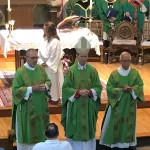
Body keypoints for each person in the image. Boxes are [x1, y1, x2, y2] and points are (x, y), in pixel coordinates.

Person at [61, 37, 102, 150]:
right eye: (82, 56)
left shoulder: (92, 70)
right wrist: (78, 92)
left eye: (86, 56)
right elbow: (65, 89)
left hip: (89, 106)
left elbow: (98, 87)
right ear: (77, 56)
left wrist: (91, 92)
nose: (84, 59)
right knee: (76, 131)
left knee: (88, 131)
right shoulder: (71, 71)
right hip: (75, 107)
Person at [99, 52, 144, 150]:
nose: (126, 63)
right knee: (116, 124)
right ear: (120, 61)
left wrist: (132, 89)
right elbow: (109, 88)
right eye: (124, 61)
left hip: (130, 104)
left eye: (128, 61)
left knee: (128, 124)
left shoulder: (135, 73)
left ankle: (127, 144)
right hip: (117, 105)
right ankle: (115, 144)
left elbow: (140, 86)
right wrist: (121, 90)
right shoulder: (114, 74)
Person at [12, 49, 51, 150]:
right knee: (28, 135)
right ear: (26, 58)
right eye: (33, 58)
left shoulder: (41, 69)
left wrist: (46, 86)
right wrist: (31, 89)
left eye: (36, 58)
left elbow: (48, 81)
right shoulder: (20, 72)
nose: (35, 60)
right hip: (27, 110)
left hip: (41, 108)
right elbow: (15, 90)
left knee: (41, 134)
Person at [38, 21, 64, 104]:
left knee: (53, 82)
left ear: (50, 31)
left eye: (45, 30)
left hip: (52, 66)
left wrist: (47, 64)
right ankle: (45, 96)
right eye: (43, 29)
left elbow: (55, 56)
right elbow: (39, 52)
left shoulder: (55, 42)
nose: (44, 31)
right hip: (44, 65)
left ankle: (54, 98)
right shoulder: (44, 40)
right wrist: (41, 61)